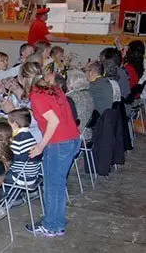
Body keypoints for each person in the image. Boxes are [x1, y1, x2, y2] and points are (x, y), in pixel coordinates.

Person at [19, 61, 80, 237]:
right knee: (58, 184)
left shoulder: (36, 95)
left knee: (52, 186)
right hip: (72, 138)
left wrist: (40, 146)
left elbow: (53, 121)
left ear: (25, 78)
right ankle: (57, 221)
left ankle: (51, 225)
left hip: (58, 143)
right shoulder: (53, 88)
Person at [6, 108, 43, 186]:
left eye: (8, 123)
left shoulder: (18, 140)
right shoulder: (28, 135)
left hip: (21, 177)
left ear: (15, 125)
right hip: (32, 175)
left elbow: (8, 158)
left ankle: (8, 196)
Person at [65, 69, 94, 140]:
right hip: (88, 133)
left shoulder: (70, 97)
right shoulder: (88, 94)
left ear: (70, 83)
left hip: (76, 135)